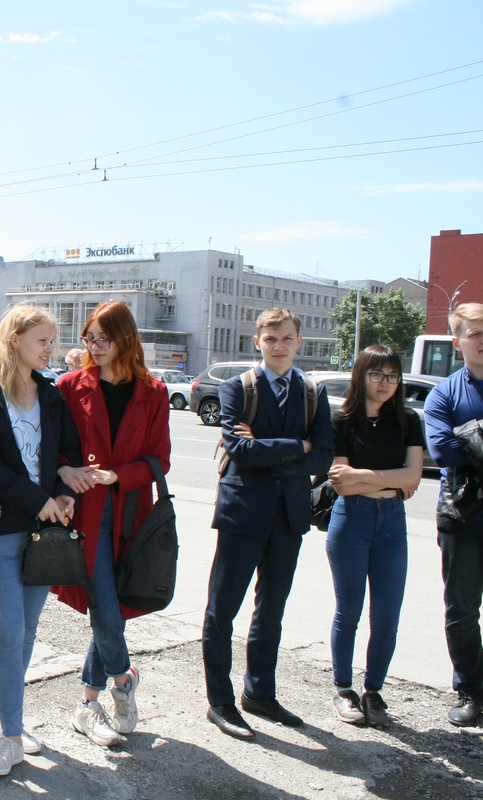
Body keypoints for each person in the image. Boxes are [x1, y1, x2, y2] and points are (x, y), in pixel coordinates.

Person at [0, 303, 81, 777]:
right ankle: (10, 737)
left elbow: (67, 453)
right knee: (8, 629)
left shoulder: (50, 393)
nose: (51, 348)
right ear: (15, 340)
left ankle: (3, 715)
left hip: (44, 531)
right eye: (42, 340)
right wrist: (38, 499)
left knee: (26, 631)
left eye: (52, 340)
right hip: (0, 527)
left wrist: (66, 494)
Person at [202, 307, 333, 740]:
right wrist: (298, 445)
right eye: (271, 339)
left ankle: (259, 692)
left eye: (287, 339)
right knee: (222, 610)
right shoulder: (237, 387)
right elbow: (240, 451)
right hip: (243, 513)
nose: (279, 347)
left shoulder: (312, 392)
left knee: (271, 611)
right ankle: (220, 701)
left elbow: (323, 457)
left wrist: (271, 448)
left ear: (299, 342)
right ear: (257, 341)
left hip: (288, 516)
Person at [54, 302, 171, 746]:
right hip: (85, 513)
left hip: (130, 512)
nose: (95, 346)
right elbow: (56, 447)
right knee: (104, 605)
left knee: (112, 608)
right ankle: (123, 681)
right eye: (89, 338)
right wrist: (67, 471)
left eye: (103, 338)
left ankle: (87, 702)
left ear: (125, 339)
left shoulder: (154, 392)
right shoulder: (71, 385)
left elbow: (160, 459)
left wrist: (117, 475)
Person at [323, 345, 424, 728]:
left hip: (393, 524)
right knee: (348, 611)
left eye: (393, 376)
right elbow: (342, 485)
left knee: (386, 616)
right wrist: (392, 482)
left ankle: (373, 691)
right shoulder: (342, 420)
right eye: (377, 374)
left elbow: (413, 476)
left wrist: (362, 476)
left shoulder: (408, 420)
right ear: (361, 375)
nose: (385, 383)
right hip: (352, 520)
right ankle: (344, 689)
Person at [425, 302, 483, 727]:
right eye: (475, 333)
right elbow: (442, 450)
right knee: (461, 610)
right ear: (457, 341)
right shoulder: (444, 394)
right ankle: (471, 691)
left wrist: (471, 438)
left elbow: (457, 444)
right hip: (463, 517)